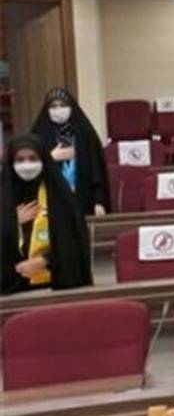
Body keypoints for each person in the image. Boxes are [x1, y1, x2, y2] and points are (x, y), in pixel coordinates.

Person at [2, 134, 92, 294]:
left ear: (43, 159)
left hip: (56, 286)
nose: (27, 165)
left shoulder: (60, 196)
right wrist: (11, 222)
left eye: (32, 158)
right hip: (10, 290)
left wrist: (44, 260)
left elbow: (74, 243)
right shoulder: (3, 197)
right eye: (20, 160)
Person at [31, 87, 110, 219]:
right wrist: (50, 158)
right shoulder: (38, 136)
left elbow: (97, 171)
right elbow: (29, 173)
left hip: (84, 203)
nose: (58, 110)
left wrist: (99, 202)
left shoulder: (85, 134)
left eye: (63, 105)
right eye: (53, 106)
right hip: (50, 207)